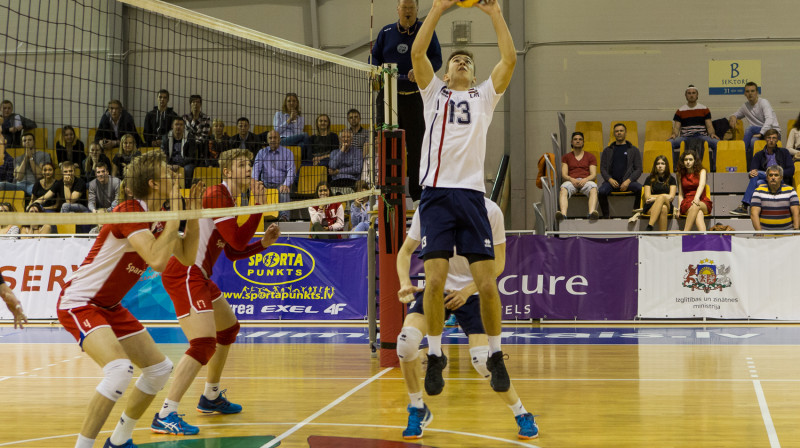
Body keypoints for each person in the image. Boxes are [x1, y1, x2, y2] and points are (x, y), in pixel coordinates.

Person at [57, 150, 203, 448]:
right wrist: (176, 211)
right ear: (153, 184)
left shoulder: (159, 220)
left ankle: (119, 440)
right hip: (80, 301)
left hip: (109, 306)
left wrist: (194, 212)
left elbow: (186, 257)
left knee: (159, 369)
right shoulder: (130, 210)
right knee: (119, 370)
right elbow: (158, 260)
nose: (175, 177)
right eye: (168, 174)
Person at [410, 0, 516, 398]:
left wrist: (495, 15)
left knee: (487, 285)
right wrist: (437, 8)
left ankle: (495, 353)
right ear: (445, 69)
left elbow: (508, 59)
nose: (460, 63)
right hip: (435, 194)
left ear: (472, 74)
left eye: (466, 62)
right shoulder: (433, 93)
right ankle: (435, 355)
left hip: (472, 195)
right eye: (454, 59)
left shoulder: (484, 97)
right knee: (434, 280)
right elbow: (418, 52)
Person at [156, 149, 281, 435]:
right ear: (227, 172)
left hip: (199, 274)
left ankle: (210, 397)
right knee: (202, 344)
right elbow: (236, 241)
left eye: (249, 163)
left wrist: (262, 244)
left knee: (228, 330)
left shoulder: (230, 201)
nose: (248, 167)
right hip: (185, 272)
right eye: (241, 164)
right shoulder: (215, 195)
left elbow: (233, 252)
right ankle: (166, 413)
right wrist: (258, 206)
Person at [396, 198, 537, 440]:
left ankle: (521, 412)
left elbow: (499, 264)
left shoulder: (490, 210)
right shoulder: (429, 206)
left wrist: (467, 291)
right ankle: (418, 408)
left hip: (472, 292)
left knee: (483, 360)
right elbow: (405, 251)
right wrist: (404, 283)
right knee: (406, 342)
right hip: (436, 291)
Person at [372, 0, 442, 201]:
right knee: (386, 143)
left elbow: (437, 59)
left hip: (415, 99)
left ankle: (417, 194)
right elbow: (374, 58)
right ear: (398, 9)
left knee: (417, 146)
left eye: (412, 8)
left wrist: (420, 70)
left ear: (417, 10)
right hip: (388, 98)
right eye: (405, 8)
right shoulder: (386, 32)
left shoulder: (426, 31)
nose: (408, 12)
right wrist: (376, 70)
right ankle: (387, 190)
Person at [730, 129, 794, 216]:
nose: (771, 140)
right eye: (769, 138)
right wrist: (751, 173)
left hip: (780, 181)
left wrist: (778, 174)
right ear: (765, 139)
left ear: (777, 140)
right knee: (758, 179)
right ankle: (752, 208)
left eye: (774, 138)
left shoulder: (784, 152)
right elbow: (753, 171)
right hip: (766, 180)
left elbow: (791, 170)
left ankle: (745, 206)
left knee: (759, 177)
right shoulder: (759, 155)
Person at [728, 82, 781, 170]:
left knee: (750, 128)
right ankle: (753, 167)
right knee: (753, 141)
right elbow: (736, 114)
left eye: (752, 91)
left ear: (757, 93)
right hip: (759, 133)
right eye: (747, 91)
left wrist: (761, 133)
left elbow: (769, 120)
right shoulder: (745, 106)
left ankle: (741, 153)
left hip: (773, 131)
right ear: (745, 94)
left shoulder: (763, 102)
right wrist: (733, 116)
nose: (750, 93)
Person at [668, 85, 719, 171]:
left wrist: (712, 134)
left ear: (697, 95)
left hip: (701, 136)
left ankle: (715, 169)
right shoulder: (680, 111)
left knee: (717, 143)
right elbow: (676, 127)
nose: (691, 95)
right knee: (669, 143)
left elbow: (709, 126)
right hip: (685, 137)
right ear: (686, 95)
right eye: (689, 93)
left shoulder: (704, 109)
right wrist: (674, 135)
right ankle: (673, 169)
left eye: (693, 93)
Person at [598, 123, 643, 219]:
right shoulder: (607, 150)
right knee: (601, 191)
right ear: (614, 134)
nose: (619, 133)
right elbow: (602, 168)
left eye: (621, 131)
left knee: (641, 189)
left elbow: (639, 169)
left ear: (625, 133)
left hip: (628, 182)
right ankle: (606, 216)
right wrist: (609, 179)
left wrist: (628, 181)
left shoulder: (633, 150)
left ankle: (636, 214)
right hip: (611, 182)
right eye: (617, 131)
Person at [252, 130, 294, 222]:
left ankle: (284, 217)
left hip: (280, 184)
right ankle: (257, 218)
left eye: (275, 138)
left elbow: (291, 170)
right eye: (270, 138)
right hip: (265, 184)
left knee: (284, 191)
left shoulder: (288, 153)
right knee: (255, 188)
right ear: (267, 140)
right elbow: (256, 169)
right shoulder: (261, 153)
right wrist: (255, 181)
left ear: (279, 139)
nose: (272, 140)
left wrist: (286, 184)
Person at [557, 131, 598, 220]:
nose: (578, 141)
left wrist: (585, 179)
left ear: (583, 142)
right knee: (563, 189)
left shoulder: (591, 156)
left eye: (580, 139)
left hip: (586, 181)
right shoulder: (566, 157)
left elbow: (593, 174)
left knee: (594, 188)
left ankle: (591, 213)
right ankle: (563, 215)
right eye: (575, 139)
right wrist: (571, 179)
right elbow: (564, 174)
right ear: (571, 142)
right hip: (571, 181)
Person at [749, 165, 800, 231]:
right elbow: (754, 214)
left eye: (776, 175)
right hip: (764, 232)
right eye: (770, 175)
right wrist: (759, 232)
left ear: (781, 178)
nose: (773, 177)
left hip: (787, 232)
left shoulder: (791, 190)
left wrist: (796, 230)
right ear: (767, 178)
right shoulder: (758, 191)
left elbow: (796, 212)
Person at [161, 117, 204, 188]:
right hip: (170, 162)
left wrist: (180, 164)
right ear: (172, 126)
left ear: (184, 127)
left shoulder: (190, 137)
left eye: (181, 125)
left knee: (188, 169)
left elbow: (191, 156)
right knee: (162, 168)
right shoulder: (166, 138)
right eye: (176, 124)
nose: (178, 127)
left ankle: (187, 188)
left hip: (185, 163)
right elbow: (163, 154)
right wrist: (169, 165)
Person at [677, 149, 711, 232]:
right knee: (698, 213)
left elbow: (702, 185)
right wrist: (678, 208)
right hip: (687, 202)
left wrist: (696, 198)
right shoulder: (679, 174)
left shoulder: (702, 171)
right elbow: (681, 193)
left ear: (695, 161)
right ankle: (704, 238)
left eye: (690, 159)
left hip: (702, 200)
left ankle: (685, 233)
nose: (688, 162)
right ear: (683, 161)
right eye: (686, 160)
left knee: (696, 205)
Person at [642, 155, 677, 231]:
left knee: (663, 202)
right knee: (663, 208)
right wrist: (664, 196)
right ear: (655, 166)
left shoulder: (671, 179)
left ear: (666, 165)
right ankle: (663, 237)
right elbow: (647, 197)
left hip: (668, 204)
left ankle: (650, 225)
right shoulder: (649, 178)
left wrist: (653, 198)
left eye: (662, 163)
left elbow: (671, 197)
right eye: (658, 164)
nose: (660, 166)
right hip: (651, 206)